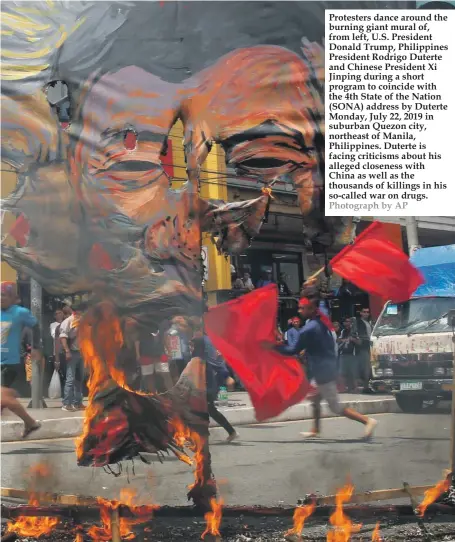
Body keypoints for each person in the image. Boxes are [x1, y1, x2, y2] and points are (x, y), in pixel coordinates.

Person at [276, 297, 377, 439]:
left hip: (324, 373)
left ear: (311, 309)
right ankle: (315, 429)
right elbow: (320, 304)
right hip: (324, 369)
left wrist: (273, 347)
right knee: (315, 399)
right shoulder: (320, 319)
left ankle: (368, 421)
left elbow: (292, 350)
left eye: (302, 308)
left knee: (335, 407)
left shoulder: (309, 329)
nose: (299, 310)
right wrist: (308, 288)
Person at [1, 281, 42, 438]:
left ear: (12, 297)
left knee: (2, 396)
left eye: (3, 295)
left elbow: (35, 326)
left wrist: (36, 347)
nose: (0, 298)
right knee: (4, 399)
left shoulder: (20, 312)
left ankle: (29, 421)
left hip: (9, 363)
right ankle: (30, 423)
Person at [191, 333, 238, 443]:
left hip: (207, 384)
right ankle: (231, 432)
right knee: (208, 409)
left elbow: (216, 363)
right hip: (201, 383)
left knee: (204, 408)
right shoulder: (200, 346)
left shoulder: (204, 347)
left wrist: (226, 376)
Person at [59, 302, 85, 411]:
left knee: (79, 378)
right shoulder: (68, 321)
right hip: (72, 352)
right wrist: (67, 351)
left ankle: (77, 402)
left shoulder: (83, 320)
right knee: (70, 378)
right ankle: (66, 403)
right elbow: (63, 337)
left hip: (82, 352)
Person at [165, 315, 193, 384]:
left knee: (182, 370)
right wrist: (169, 351)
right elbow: (168, 337)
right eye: (180, 318)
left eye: (182, 318)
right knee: (178, 371)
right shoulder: (174, 329)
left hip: (182, 354)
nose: (182, 319)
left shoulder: (182, 330)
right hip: (177, 354)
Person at [353, 307, 373, 394]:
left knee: (368, 368)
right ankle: (363, 387)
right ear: (361, 313)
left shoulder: (369, 323)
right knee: (364, 368)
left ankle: (366, 386)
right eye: (364, 312)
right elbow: (357, 334)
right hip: (362, 348)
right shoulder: (358, 322)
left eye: (367, 312)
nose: (366, 313)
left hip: (369, 347)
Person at [338, 316, 359, 393]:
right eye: (346, 321)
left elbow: (359, 342)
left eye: (349, 321)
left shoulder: (354, 331)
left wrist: (352, 339)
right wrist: (344, 340)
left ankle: (355, 388)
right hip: (343, 354)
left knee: (353, 372)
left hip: (352, 355)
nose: (347, 323)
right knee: (342, 372)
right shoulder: (343, 331)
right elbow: (339, 340)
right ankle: (343, 388)